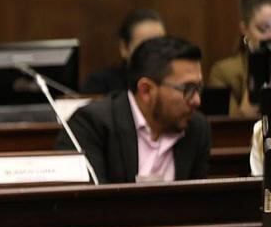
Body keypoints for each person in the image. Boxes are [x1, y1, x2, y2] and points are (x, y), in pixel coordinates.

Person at [56, 36, 210, 183]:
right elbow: (90, 203)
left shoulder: (196, 128)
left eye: (198, 88)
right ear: (146, 90)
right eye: (188, 89)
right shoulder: (91, 124)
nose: (197, 100)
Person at [208, 0, 271, 117]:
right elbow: (234, 128)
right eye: (263, 29)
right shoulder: (223, 72)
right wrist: (258, 72)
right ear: (245, 29)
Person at [81, 9, 166, 94]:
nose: (153, 52)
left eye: (159, 44)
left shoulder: (171, 82)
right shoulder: (99, 85)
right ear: (124, 48)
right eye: (144, 45)